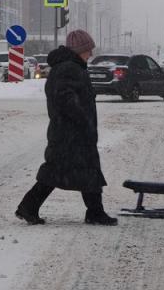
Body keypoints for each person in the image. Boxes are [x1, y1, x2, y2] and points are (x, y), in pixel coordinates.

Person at [15, 29, 117, 226]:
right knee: (67, 171)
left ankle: (93, 212)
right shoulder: (69, 68)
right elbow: (64, 99)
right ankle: (93, 213)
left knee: (77, 172)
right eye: (88, 49)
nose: (91, 53)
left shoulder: (71, 67)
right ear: (79, 50)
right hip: (70, 133)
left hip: (70, 132)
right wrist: (82, 118)